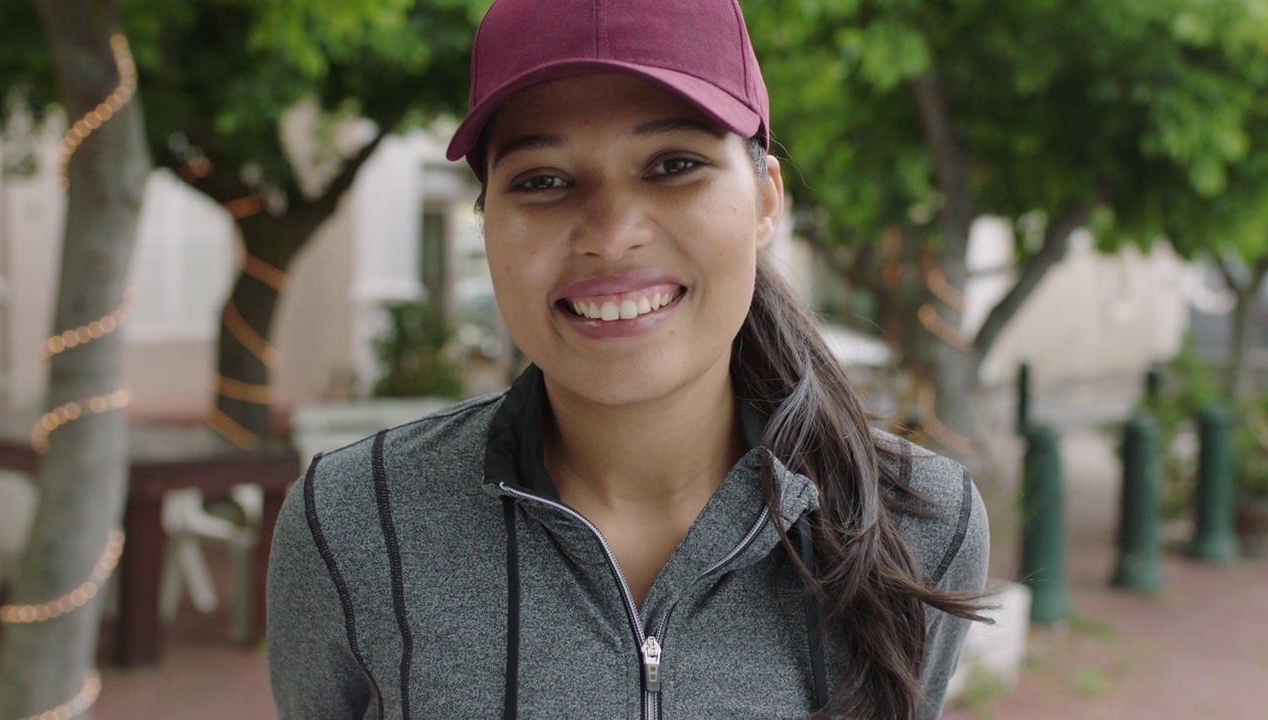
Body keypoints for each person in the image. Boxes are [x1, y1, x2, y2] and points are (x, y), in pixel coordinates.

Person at [266, 0, 989, 717]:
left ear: (767, 202)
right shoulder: (353, 523)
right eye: (542, 180)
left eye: (674, 165)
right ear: (487, 222)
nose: (611, 235)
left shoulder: (917, 523)